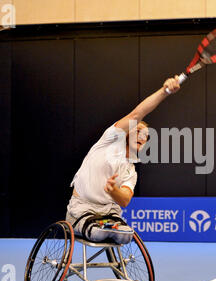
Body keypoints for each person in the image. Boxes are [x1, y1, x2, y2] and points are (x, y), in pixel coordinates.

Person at [66, 75, 181, 240]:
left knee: (126, 236)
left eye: (146, 136)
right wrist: (165, 91)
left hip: (110, 213)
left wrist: (114, 191)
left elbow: (125, 200)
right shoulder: (109, 141)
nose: (142, 136)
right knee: (97, 233)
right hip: (82, 208)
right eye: (138, 131)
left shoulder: (131, 171)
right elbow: (136, 115)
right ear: (126, 133)